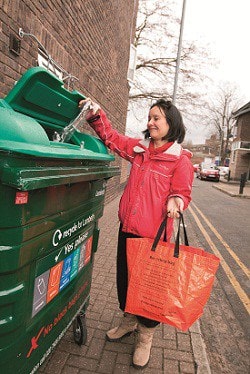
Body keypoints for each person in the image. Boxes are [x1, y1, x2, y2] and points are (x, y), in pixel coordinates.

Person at [79, 98, 194, 369]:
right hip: (127, 229)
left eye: (157, 118)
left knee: (149, 290)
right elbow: (113, 139)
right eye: (150, 117)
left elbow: (183, 192)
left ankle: (145, 336)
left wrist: (175, 200)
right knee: (124, 281)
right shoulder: (140, 150)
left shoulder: (180, 160)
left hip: (154, 239)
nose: (150, 122)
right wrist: (97, 115)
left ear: (171, 124)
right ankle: (129, 321)